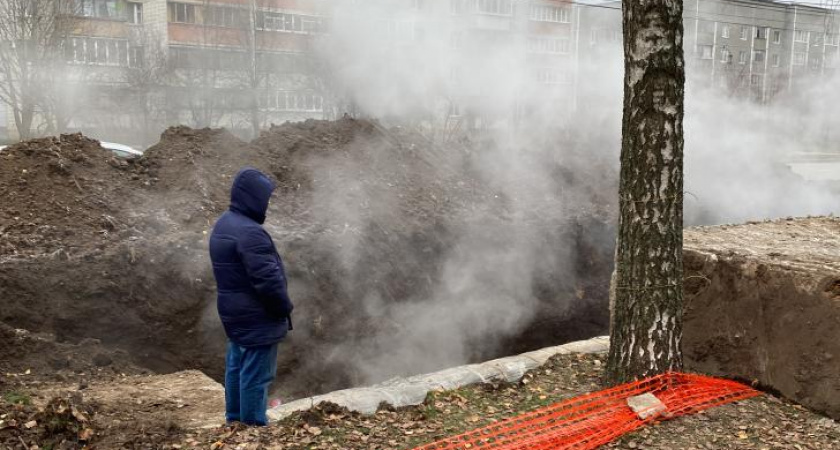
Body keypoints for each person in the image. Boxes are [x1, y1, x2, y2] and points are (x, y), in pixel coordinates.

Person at [209, 167, 294, 426]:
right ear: (253, 198)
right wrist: (284, 308)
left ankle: (234, 422)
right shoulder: (250, 233)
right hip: (258, 318)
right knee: (257, 376)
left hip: (235, 315)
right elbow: (268, 281)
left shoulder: (225, 223)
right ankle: (254, 427)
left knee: (236, 368)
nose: (266, 204)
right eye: (264, 198)